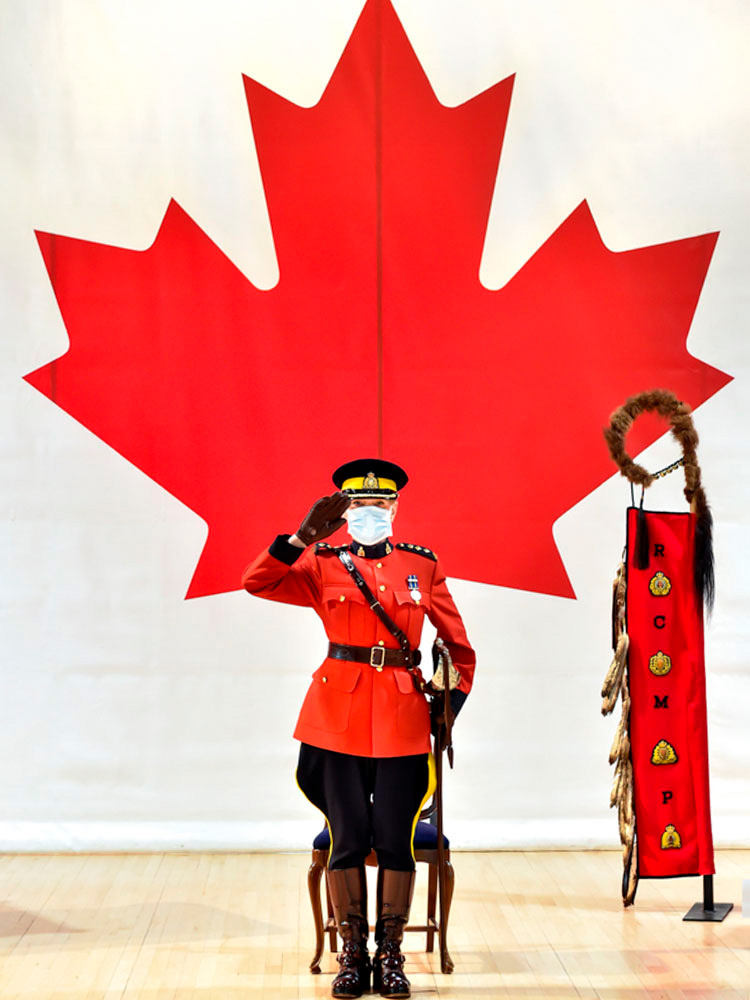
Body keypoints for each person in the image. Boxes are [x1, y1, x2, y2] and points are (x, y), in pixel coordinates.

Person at [241, 459, 475, 999]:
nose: (372, 512)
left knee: (396, 840)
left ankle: (390, 956)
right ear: (343, 511)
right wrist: (301, 537)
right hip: (334, 720)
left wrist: (448, 708)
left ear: (396, 508)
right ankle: (352, 957)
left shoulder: (422, 566)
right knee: (347, 839)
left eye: (381, 504)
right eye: (360, 506)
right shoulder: (322, 563)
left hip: (401, 719)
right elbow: (257, 581)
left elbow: (461, 650)